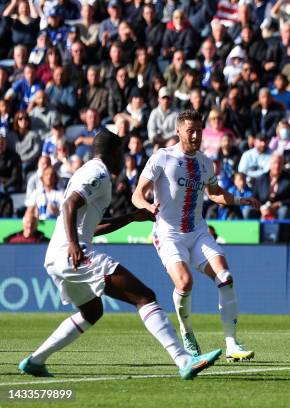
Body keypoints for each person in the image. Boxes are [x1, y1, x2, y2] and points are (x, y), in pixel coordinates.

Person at [18, 129, 221, 380]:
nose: (123, 158)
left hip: (57, 258)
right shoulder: (98, 173)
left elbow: (91, 224)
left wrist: (132, 218)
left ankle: (36, 361)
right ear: (113, 152)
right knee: (145, 296)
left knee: (91, 312)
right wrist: (74, 245)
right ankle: (184, 359)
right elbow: (69, 204)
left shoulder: (88, 171)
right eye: (121, 152)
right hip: (74, 253)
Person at [132, 110, 260, 362]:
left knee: (225, 276)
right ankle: (187, 332)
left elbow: (213, 192)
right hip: (168, 233)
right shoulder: (162, 158)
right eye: (190, 130)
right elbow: (137, 194)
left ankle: (232, 344)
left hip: (198, 230)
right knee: (184, 283)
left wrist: (238, 199)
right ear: (178, 131)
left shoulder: (204, 162)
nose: (196, 135)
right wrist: (147, 207)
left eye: (199, 130)